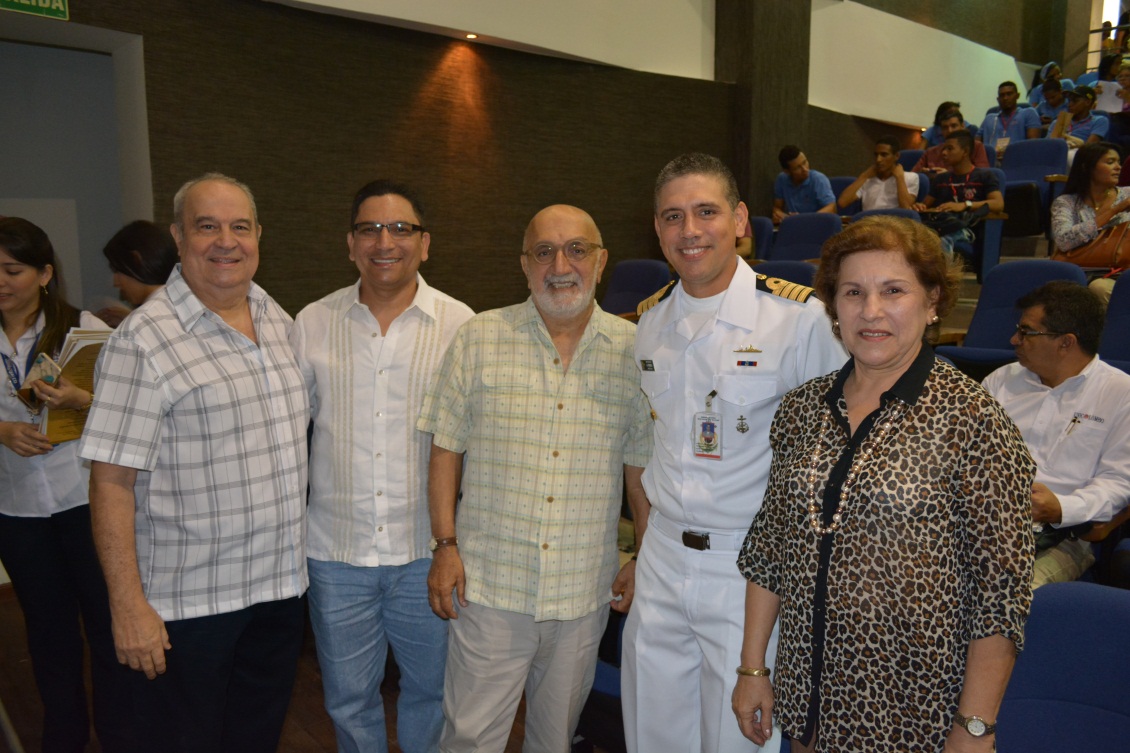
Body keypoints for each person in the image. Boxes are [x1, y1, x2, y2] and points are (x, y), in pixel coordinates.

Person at [733, 215, 1035, 753]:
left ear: (933, 300)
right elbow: (770, 548)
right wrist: (754, 667)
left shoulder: (975, 421)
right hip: (808, 700)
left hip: (912, 710)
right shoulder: (801, 410)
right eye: (853, 292)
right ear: (834, 307)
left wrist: (975, 727)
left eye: (893, 290)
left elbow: (1001, 594)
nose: (870, 312)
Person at [623, 153, 846, 753]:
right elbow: (651, 445)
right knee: (654, 732)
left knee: (738, 740)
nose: (689, 231)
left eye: (706, 212)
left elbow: (836, 454)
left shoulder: (798, 321)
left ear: (741, 220)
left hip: (750, 568)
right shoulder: (648, 324)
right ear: (657, 229)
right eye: (673, 217)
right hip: (664, 556)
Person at [79, 174, 310, 753]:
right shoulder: (144, 341)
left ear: (259, 236)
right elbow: (110, 482)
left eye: (239, 227)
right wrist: (127, 606)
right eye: (207, 226)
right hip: (189, 607)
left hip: (277, 592)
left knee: (254, 738)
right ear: (180, 238)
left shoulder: (279, 321)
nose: (225, 241)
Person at [418, 204, 651, 752]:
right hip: (490, 587)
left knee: (554, 741)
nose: (560, 265)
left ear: (601, 261)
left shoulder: (633, 351)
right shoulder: (480, 337)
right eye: (544, 252)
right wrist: (445, 544)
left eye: (577, 250)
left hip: (582, 593)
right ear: (525, 265)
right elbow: (444, 449)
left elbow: (640, 468)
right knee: (469, 740)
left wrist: (644, 555)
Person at [292, 180, 474, 753]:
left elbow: (478, 442)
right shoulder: (312, 323)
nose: (384, 241)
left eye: (400, 229)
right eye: (369, 229)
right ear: (350, 244)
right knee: (348, 700)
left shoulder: (462, 325)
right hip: (335, 554)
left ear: (425, 243)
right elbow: (289, 433)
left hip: (428, 551)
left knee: (431, 693)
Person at [0, 217, 131, 753]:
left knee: (107, 626)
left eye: (14, 269)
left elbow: (132, 410)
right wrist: (3, 430)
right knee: (47, 633)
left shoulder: (86, 331)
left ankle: (123, 736)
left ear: (45, 273)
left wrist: (81, 400)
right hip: (16, 508)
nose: (2, 280)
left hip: (84, 500)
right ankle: (64, 738)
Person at [984, 281, 1130, 588]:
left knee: (1001, 596)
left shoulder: (1120, 394)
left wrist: (1061, 508)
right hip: (984, 522)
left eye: (1026, 332)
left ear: (1066, 342)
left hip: (1065, 536)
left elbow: (1118, 484)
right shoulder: (1001, 381)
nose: (1014, 339)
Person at [1050, 141, 1130, 302]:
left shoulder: (1128, 193)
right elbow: (1064, 241)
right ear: (1087, 167)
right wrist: (1114, 210)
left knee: (1100, 288)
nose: (1118, 167)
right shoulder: (1067, 202)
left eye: (1119, 162)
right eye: (1110, 162)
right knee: (1095, 288)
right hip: (1080, 273)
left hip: (1124, 272)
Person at [912, 129, 1004, 260]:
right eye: (944, 149)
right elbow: (925, 205)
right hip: (941, 225)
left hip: (967, 228)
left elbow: (998, 204)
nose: (944, 153)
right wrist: (919, 207)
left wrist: (964, 205)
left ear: (965, 152)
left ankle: (945, 278)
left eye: (950, 149)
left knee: (942, 239)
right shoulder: (940, 179)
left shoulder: (985, 176)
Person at [95, 219, 178, 327]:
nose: (115, 282)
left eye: (118, 271)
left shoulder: (146, 319)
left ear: (136, 260)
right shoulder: (178, 306)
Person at [836, 136, 919, 212]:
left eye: (884, 155)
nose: (878, 160)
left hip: (893, 225)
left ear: (896, 156)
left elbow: (906, 209)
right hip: (868, 224)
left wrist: (899, 178)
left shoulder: (911, 177)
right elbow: (842, 202)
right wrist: (864, 176)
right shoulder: (867, 179)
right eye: (876, 155)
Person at [912, 108, 991, 173]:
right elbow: (913, 175)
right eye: (945, 127)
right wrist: (923, 174)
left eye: (954, 126)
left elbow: (983, 175)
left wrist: (948, 175)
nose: (950, 131)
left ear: (962, 126)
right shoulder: (930, 152)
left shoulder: (976, 147)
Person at [772, 146, 837, 222]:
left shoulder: (818, 179)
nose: (805, 169)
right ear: (787, 172)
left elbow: (832, 208)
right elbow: (777, 207)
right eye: (797, 168)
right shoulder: (781, 179)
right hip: (793, 224)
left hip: (817, 224)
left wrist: (804, 220)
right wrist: (779, 215)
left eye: (804, 162)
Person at [979, 81, 1041, 160]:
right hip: (990, 163)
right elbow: (976, 146)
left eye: (1009, 94)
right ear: (998, 99)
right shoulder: (989, 118)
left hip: (1018, 162)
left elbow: (1033, 145)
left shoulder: (1028, 113)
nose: (1005, 98)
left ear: (1017, 95)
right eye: (1002, 95)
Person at [1048, 86, 1110, 152]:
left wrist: (1065, 137)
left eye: (1075, 101)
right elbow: (1047, 146)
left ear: (1087, 102)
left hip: (1080, 156)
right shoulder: (1058, 122)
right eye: (1069, 101)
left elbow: (1089, 148)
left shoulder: (1099, 120)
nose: (1070, 104)